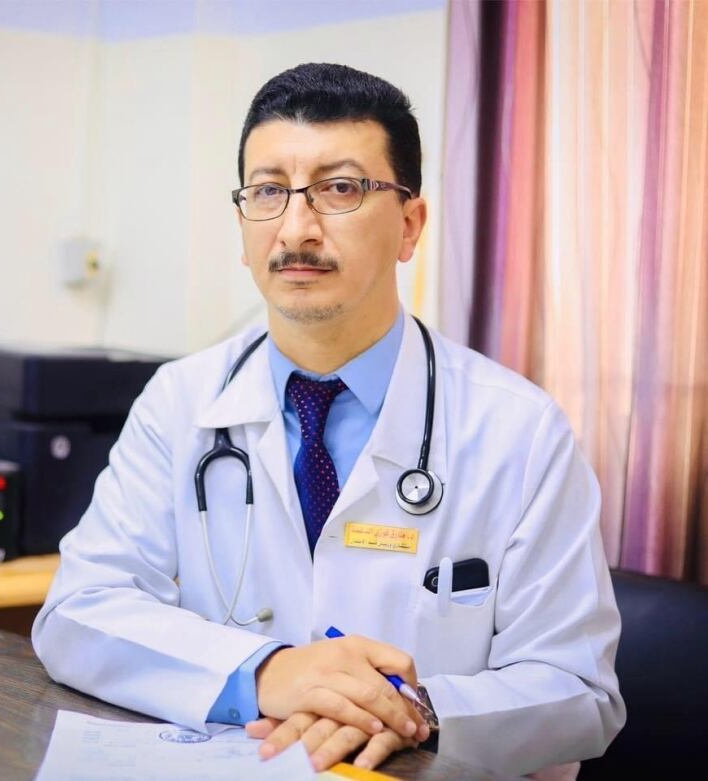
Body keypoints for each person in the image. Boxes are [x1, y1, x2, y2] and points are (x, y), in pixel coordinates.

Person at [32, 63, 625, 779]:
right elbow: (78, 612)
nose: (296, 226)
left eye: (340, 188)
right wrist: (268, 672)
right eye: (268, 190)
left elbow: (579, 690)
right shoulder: (179, 401)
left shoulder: (520, 432)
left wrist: (416, 711)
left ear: (409, 225)